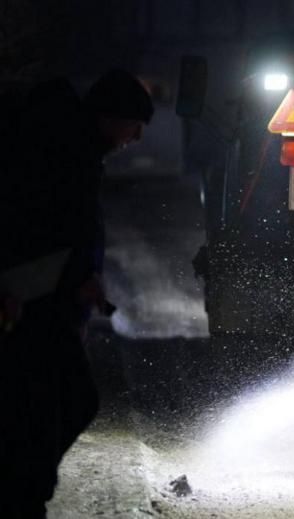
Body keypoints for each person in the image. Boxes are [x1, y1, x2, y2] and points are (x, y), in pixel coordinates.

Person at [0, 69, 152, 518]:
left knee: (53, 403)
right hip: (27, 300)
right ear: (111, 117)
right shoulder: (55, 151)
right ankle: (22, 499)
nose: (137, 137)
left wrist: (82, 276)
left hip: (46, 297)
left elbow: (68, 228)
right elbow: (32, 226)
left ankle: (24, 496)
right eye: (135, 125)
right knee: (62, 401)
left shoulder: (75, 149)